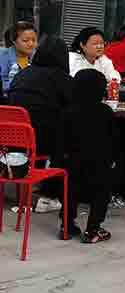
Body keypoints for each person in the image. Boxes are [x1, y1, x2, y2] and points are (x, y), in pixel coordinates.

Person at [8, 37, 73, 215]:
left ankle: (35, 189)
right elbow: (75, 106)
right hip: (44, 141)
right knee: (71, 140)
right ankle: (50, 195)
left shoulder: (22, 74)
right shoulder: (62, 78)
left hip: (14, 141)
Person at [59, 69, 119, 243]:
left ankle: (66, 225)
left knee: (69, 191)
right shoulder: (105, 111)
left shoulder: (67, 111)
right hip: (99, 162)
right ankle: (93, 229)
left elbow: (60, 139)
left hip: (71, 160)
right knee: (101, 192)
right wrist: (114, 159)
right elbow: (114, 139)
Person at [0, 21, 38, 92]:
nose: (31, 44)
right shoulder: (3, 56)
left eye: (34, 40)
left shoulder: (39, 57)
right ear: (14, 41)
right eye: (25, 40)